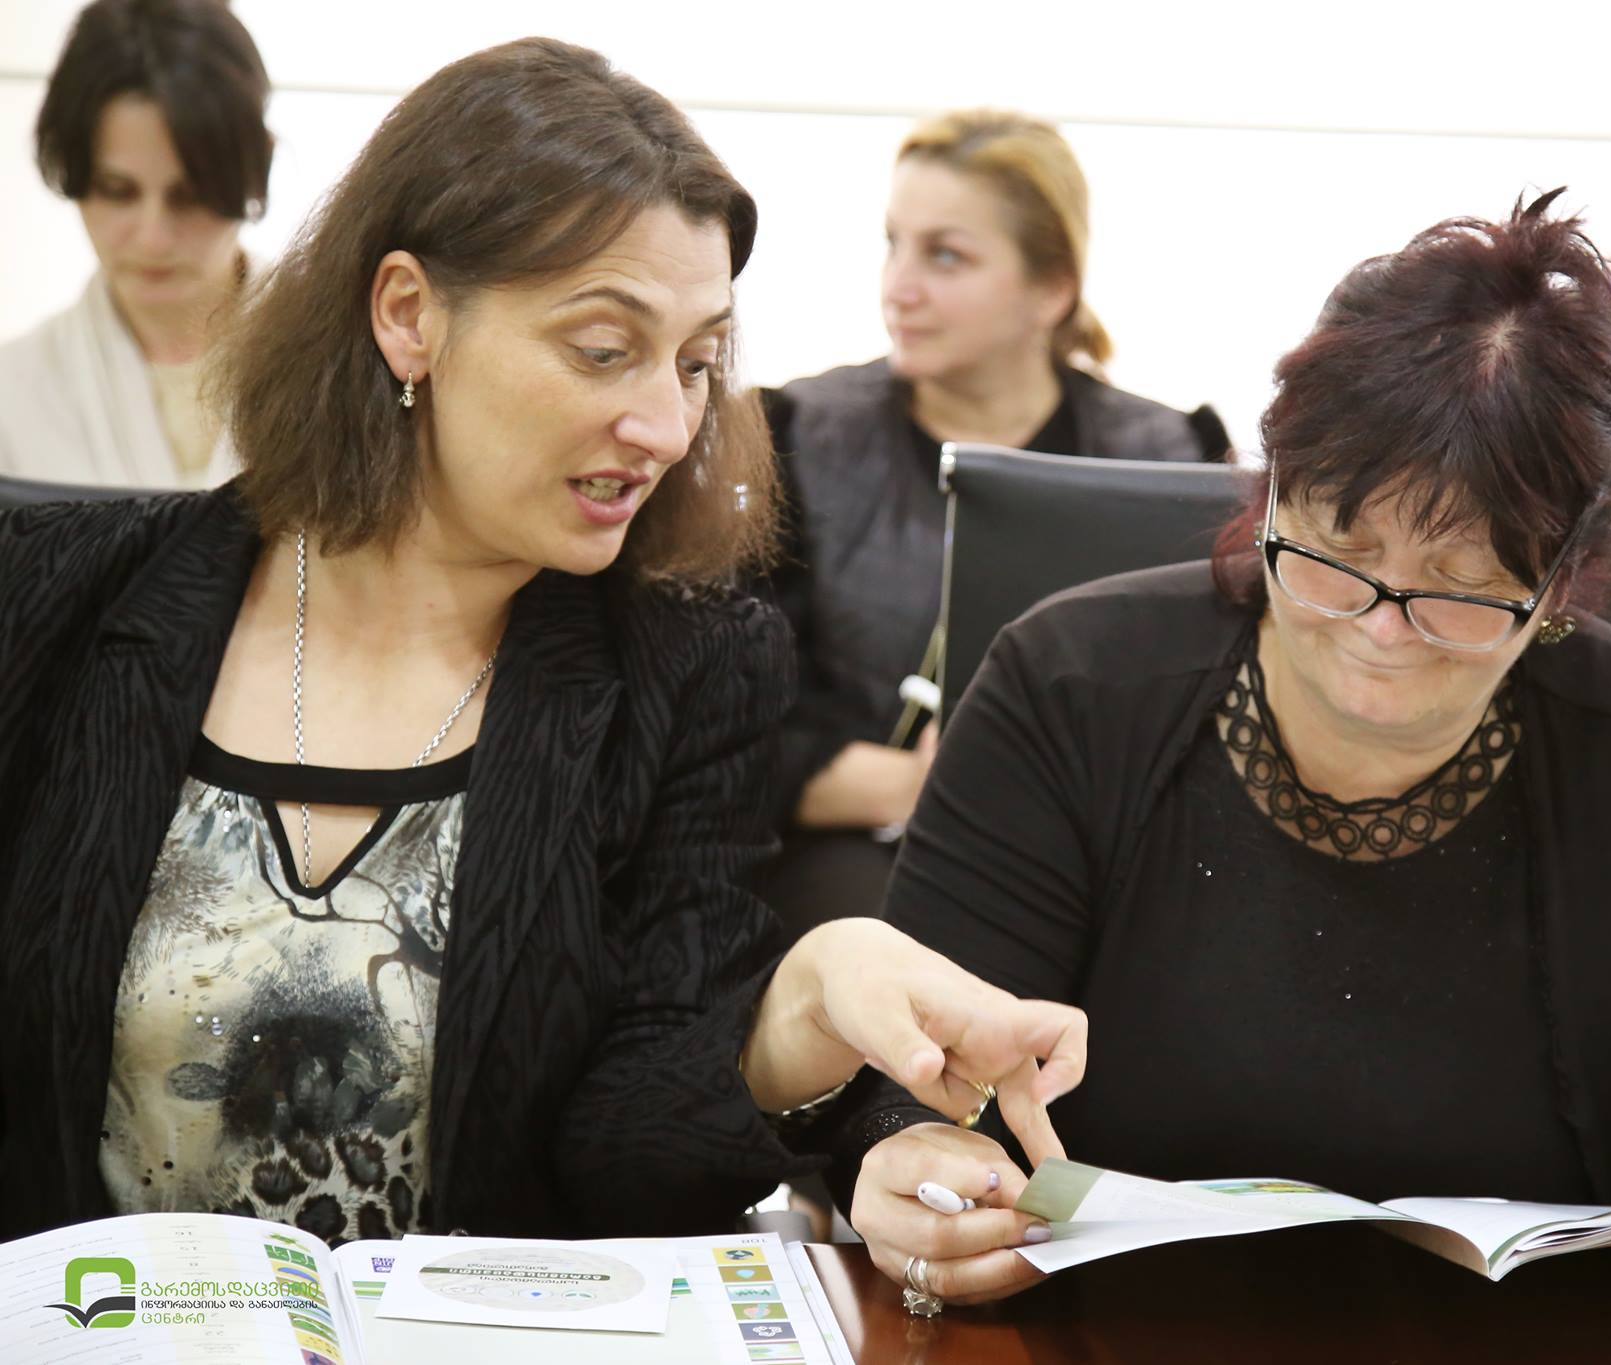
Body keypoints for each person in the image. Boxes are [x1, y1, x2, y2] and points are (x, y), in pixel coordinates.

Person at [824, 193, 1611, 1310]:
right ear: (1268, 500)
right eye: (1334, 559)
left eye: (1458, 591)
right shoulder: (1072, 691)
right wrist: (904, 1160)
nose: (1378, 636)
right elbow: (910, 1073)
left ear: (1557, 587)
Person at [0, 38, 1085, 1247]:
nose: (666, 425)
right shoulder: (54, 595)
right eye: (603, 351)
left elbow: (624, 1159)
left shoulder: (687, 670)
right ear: (408, 315)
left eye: (696, 362)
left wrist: (806, 1004)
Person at [755, 109, 1232, 940]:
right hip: (859, 856)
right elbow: (722, 733)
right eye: (893, 244)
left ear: (1052, 289)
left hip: (1098, 856)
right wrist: (905, 784)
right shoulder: (796, 437)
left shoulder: (1173, 456)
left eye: (945, 255)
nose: (898, 286)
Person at [0, 0, 272, 488]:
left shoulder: (343, 364)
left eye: (190, 196)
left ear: (253, 172)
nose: (153, 238)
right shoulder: (15, 394)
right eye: (117, 192)